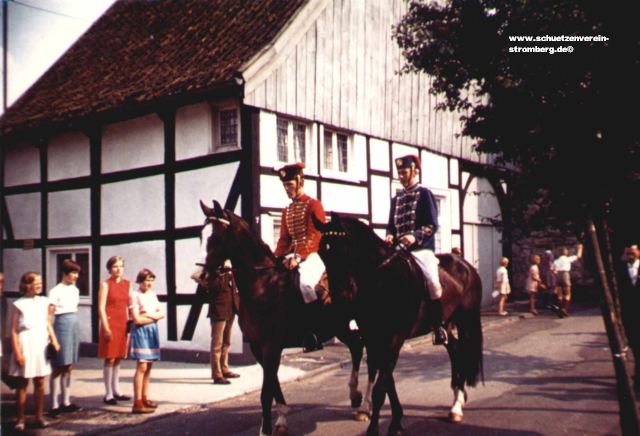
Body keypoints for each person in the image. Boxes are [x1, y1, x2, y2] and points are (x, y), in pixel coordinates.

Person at [385, 155, 447, 345]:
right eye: (399, 174)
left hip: (421, 249)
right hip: (399, 250)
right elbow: (391, 226)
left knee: (432, 280)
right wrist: (389, 235)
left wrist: (414, 236)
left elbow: (432, 225)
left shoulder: (425, 194)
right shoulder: (396, 199)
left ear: (415, 172)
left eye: (404, 173)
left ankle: (439, 325)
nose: (402, 177)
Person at [273, 163, 329, 352]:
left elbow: (315, 236)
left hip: (312, 254)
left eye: (290, 185)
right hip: (292, 254)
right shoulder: (286, 211)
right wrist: (274, 259)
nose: (287, 189)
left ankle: (315, 332)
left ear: (300, 181)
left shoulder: (314, 205)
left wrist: (298, 257)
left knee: (305, 284)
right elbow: (283, 240)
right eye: (285, 186)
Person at [9, 272, 60, 431]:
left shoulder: (44, 301)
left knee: (40, 381)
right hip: (26, 342)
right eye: (36, 282)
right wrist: (17, 352)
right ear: (27, 285)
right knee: (23, 382)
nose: (39, 285)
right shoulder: (19, 304)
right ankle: (20, 419)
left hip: (41, 342)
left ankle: (39, 416)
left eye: (40, 282)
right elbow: (13, 331)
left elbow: (47, 323)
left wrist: (54, 339)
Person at [47, 259, 83, 418]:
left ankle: (66, 401)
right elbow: (49, 315)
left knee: (69, 365)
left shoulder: (75, 290)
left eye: (77, 273)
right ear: (64, 273)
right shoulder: (55, 291)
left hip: (73, 323)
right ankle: (54, 404)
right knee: (58, 365)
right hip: (61, 324)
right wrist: (51, 337)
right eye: (73, 273)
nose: (75, 276)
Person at [98, 256, 132, 405]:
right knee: (110, 357)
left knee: (119, 356)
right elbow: (100, 307)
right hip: (110, 323)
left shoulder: (127, 284)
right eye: (115, 267)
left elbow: (131, 304)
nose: (118, 269)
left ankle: (116, 389)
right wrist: (105, 327)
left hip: (123, 323)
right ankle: (108, 393)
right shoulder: (106, 284)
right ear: (110, 269)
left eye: (121, 266)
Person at [129, 268, 164, 414]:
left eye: (151, 281)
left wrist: (148, 315)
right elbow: (136, 319)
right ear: (140, 281)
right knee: (142, 366)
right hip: (141, 332)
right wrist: (153, 316)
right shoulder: (134, 295)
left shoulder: (152, 294)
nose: (149, 284)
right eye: (146, 281)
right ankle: (137, 403)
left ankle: (144, 397)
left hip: (152, 331)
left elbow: (161, 313)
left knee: (149, 366)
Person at [207, 259, 240, 385]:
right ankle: (217, 374)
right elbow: (217, 287)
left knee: (226, 342)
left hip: (230, 309)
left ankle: (224, 369)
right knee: (217, 344)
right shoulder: (215, 272)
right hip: (219, 310)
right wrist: (224, 272)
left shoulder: (232, 272)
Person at [617, 245, 640, 387]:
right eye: (627, 254)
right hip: (630, 313)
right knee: (635, 344)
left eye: (632, 253)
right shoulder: (620, 269)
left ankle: (638, 380)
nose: (630, 256)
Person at [553, 244, 583, 318]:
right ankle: (564, 308)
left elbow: (553, 270)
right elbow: (578, 256)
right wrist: (580, 249)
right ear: (566, 253)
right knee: (567, 294)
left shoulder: (556, 261)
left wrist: (557, 274)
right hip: (565, 274)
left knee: (559, 295)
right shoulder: (567, 259)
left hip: (558, 276)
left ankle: (560, 309)